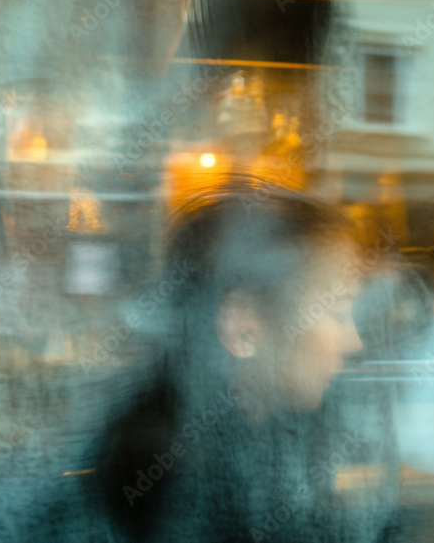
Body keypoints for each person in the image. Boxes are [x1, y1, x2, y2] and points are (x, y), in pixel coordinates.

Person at [92, 180, 377, 542]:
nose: (354, 341)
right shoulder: (175, 464)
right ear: (243, 327)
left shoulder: (269, 433)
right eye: (337, 312)